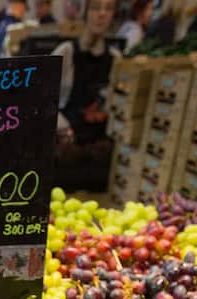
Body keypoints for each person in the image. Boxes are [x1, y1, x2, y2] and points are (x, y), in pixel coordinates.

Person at [52, 0, 119, 190]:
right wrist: (62, 126)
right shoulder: (66, 52)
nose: (102, 14)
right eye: (96, 8)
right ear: (85, 12)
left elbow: (115, 102)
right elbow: (42, 96)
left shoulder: (115, 58)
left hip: (96, 151)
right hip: (68, 148)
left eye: (108, 9)